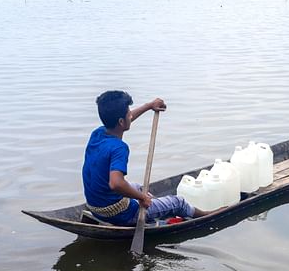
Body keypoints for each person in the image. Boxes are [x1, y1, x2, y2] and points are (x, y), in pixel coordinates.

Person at [82, 90, 216, 226]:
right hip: (120, 214)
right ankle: (206, 215)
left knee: (138, 187)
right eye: (128, 113)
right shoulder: (119, 147)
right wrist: (142, 198)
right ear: (121, 121)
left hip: (95, 206)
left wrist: (149, 106)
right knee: (178, 202)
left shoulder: (97, 133)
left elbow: (127, 118)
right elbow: (116, 183)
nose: (131, 115)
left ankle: (156, 207)